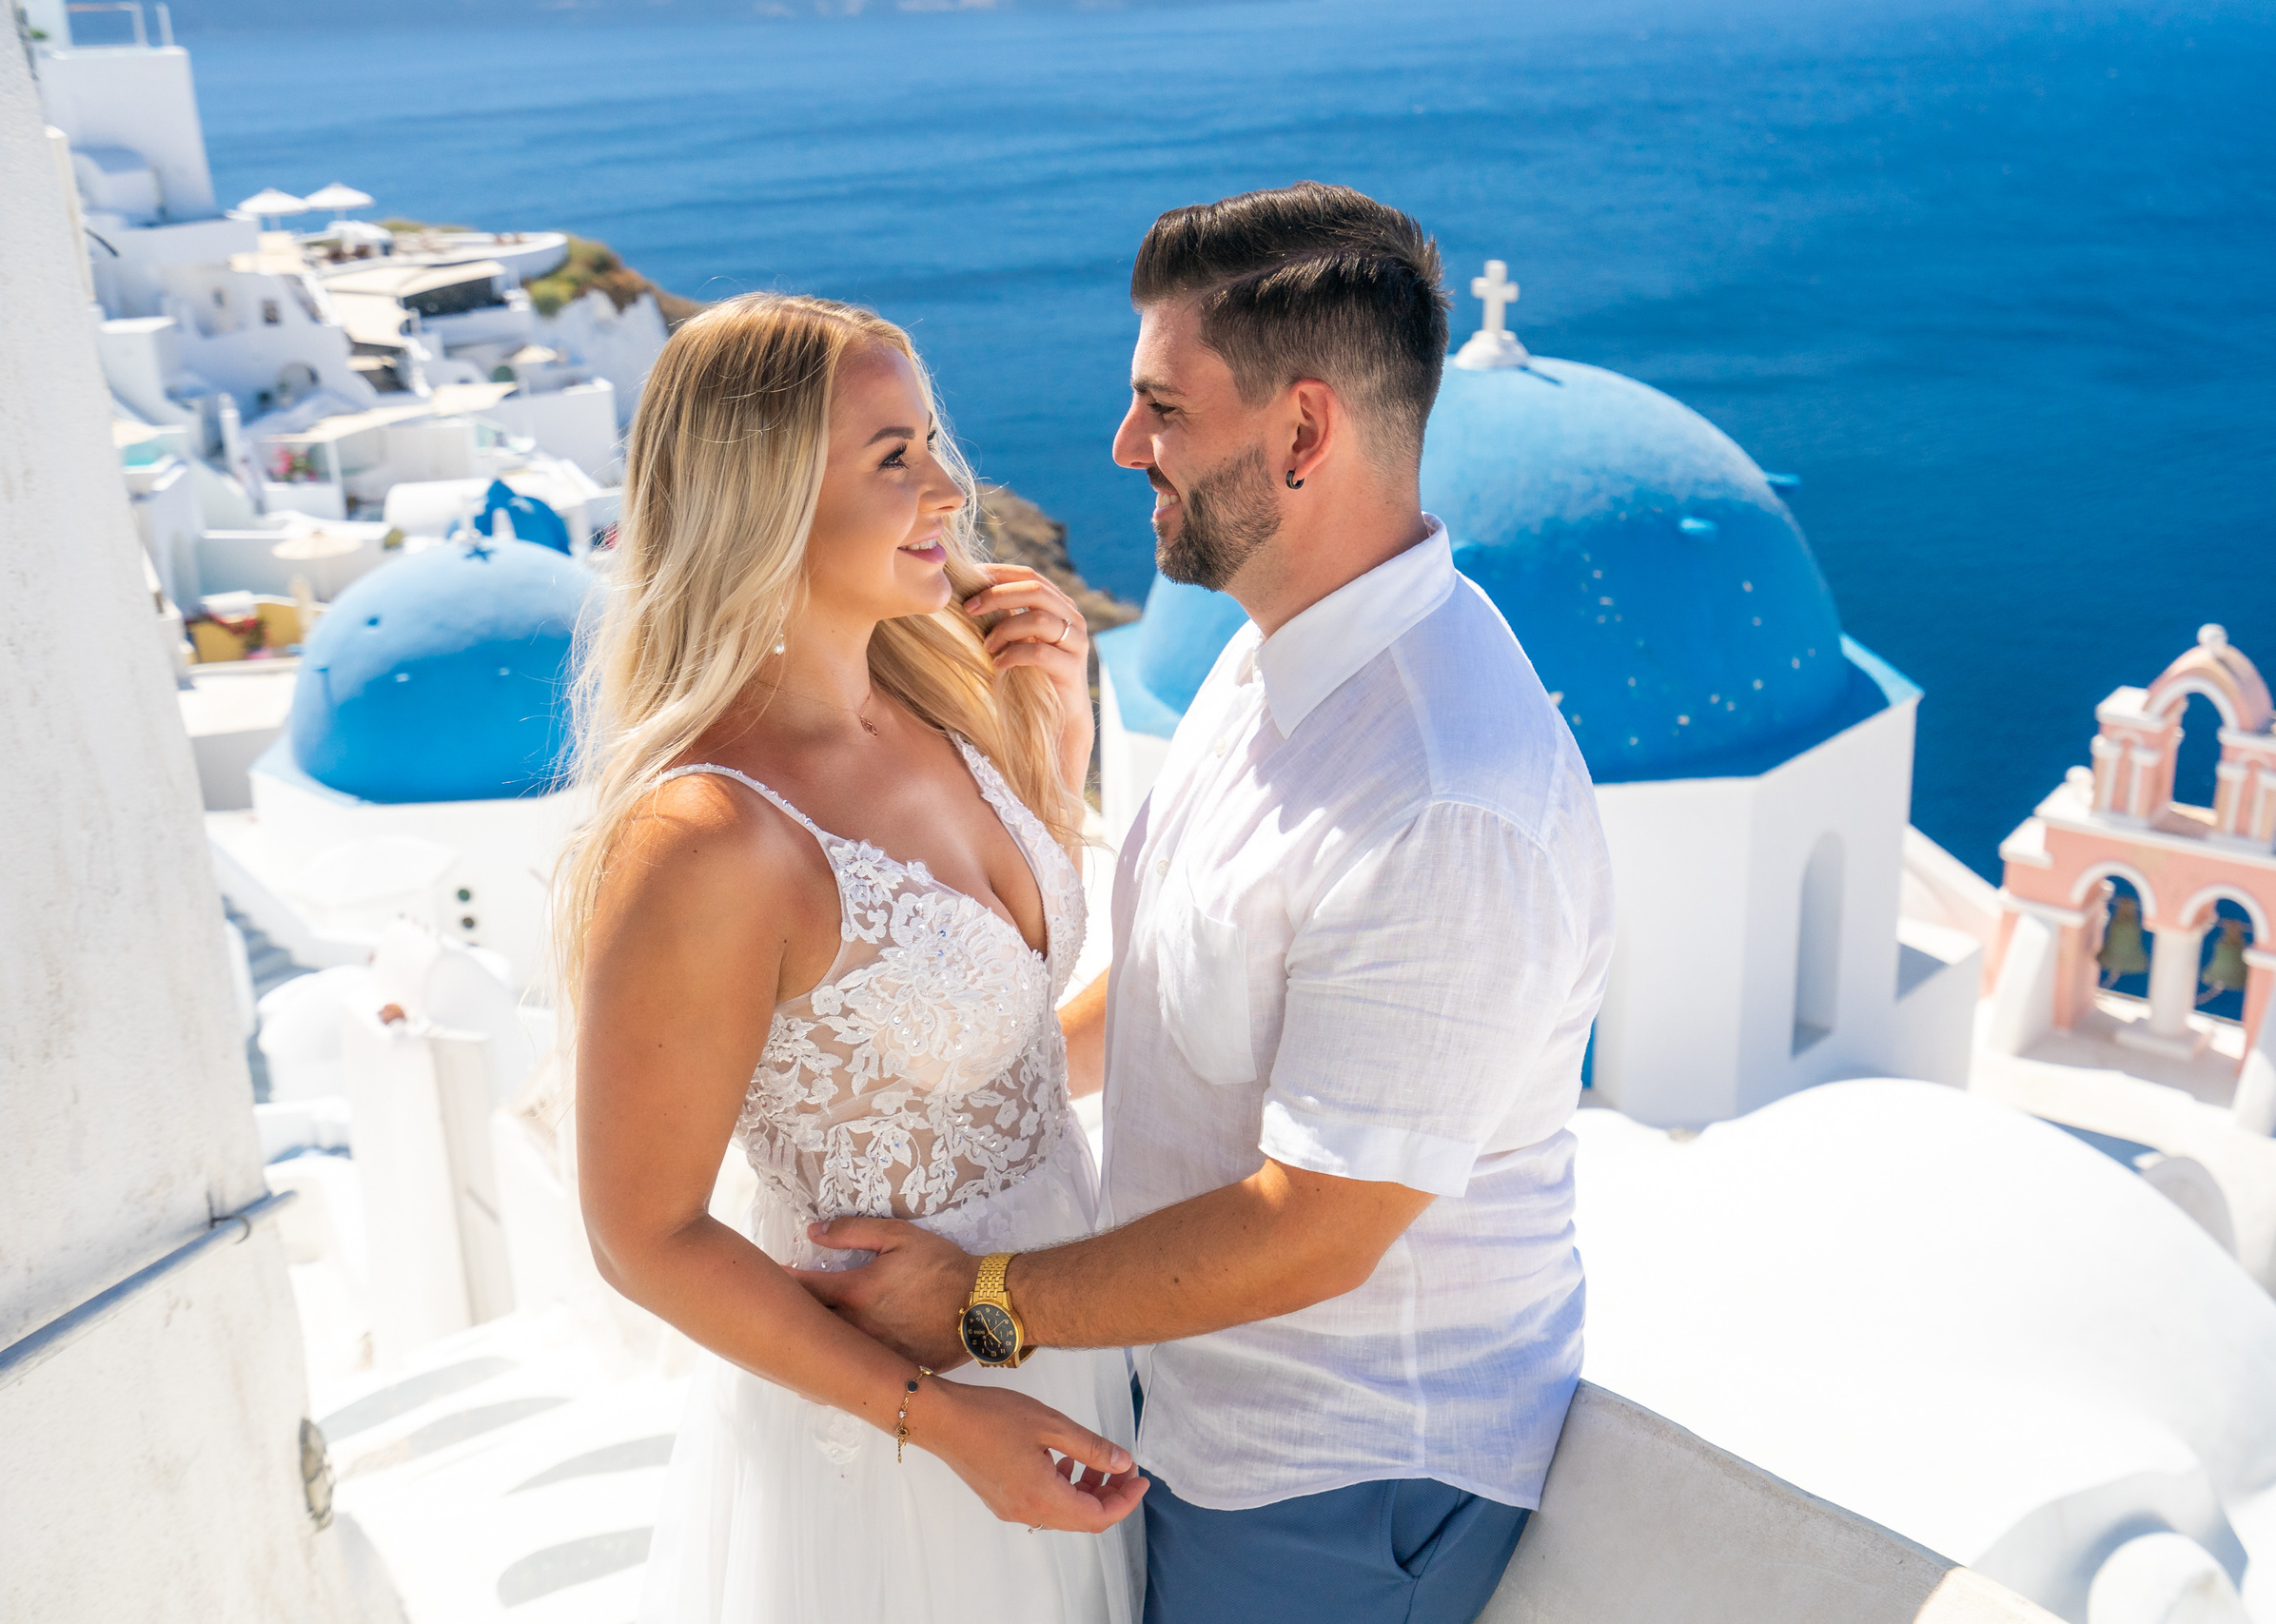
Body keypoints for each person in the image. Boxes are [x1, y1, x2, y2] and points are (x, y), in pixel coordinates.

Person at [799, 184, 1616, 1624]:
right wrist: (928, 1101)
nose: (1126, 448)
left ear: (1303, 434)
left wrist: (981, 1305)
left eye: (1161, 408)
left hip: (1344, 1490)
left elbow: (1318, 1226)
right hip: (1198, 1417)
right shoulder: (1280, 651)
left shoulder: (1444, 796)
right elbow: (1177, 980)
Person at [556, 293, 1146, 1624]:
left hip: (1052, 1331)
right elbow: (640, 1236)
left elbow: (994, 1035)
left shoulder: (943, 701)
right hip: (897, 1432)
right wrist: (945, 1424)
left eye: (934, 441)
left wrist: (1051, 760)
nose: (952, 485)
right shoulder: (710, 837)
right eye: (894, 458)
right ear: (758, 496)